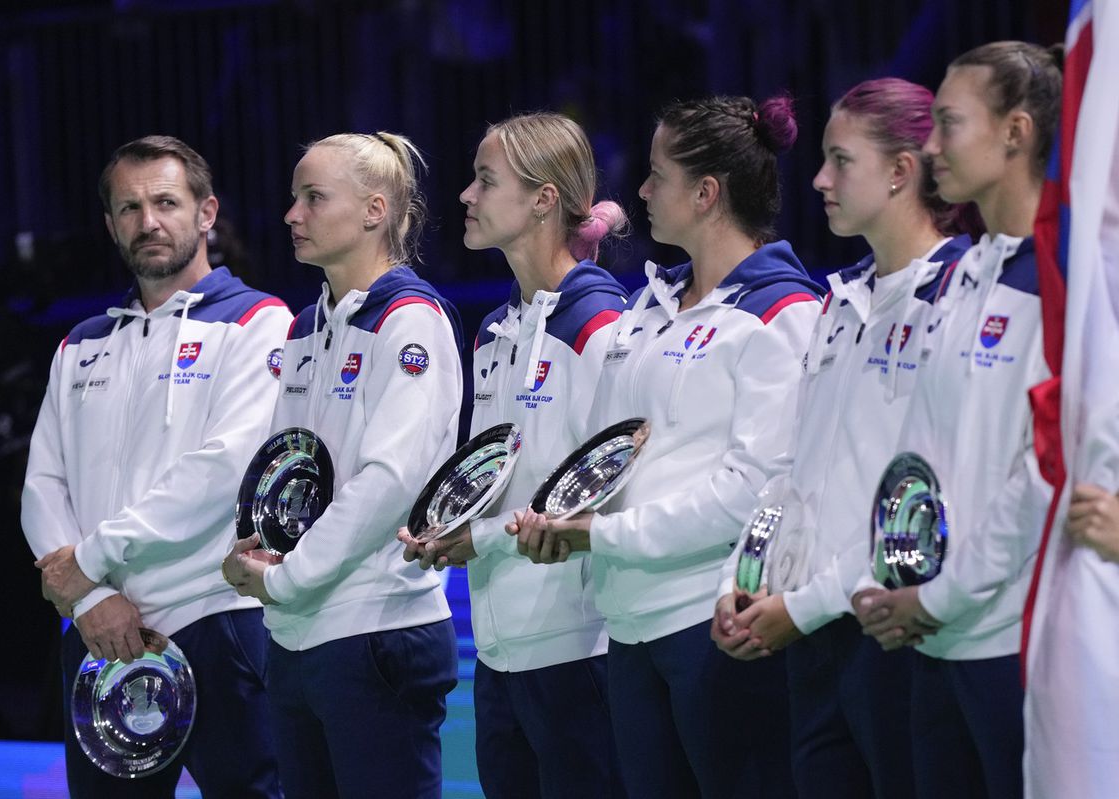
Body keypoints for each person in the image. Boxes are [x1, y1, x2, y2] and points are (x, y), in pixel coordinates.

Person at [516, 95, 821, 798]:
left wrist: (603, 533)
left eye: (657, 175)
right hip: (630, 628)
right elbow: (604, 453)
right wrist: (557, 515)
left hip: (710, 623)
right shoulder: (651, 311)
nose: (643, 191)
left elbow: (758, 491)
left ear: (707, 193)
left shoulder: (782, 314)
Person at [711, 78, 974, 799]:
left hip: (896, 633)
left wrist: (804, 605)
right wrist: (743, 571)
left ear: (901, 171)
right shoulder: (839, 300)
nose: (820, 179)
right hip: (810, 638)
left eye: (840, 159)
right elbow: (792, 468)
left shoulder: (958, 296)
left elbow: (930, 495)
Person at [22, 135, 290, 797]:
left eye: (167, 202)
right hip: (99, 630)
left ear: (206, 213)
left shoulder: (259, 321)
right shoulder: (81, 344)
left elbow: (226, 468)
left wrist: (91, 559)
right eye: (129, 207)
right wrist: (90, 594)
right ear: (111, 224)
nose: (149, 221)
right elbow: (41, 482)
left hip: (216, 615)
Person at [221, 132, 462, 799]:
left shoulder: (411, 321)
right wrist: (253, 551)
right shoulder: (305, 328)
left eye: (313, 198)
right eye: (295, 198)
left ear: (374, 211)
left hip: (375, 632)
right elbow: (281, 475)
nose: (292, 214)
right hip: (298, 634)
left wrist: (287, 578)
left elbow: (389, 481)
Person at [851, 42, 1062, 799]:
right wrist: (896, 576)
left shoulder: (1062, 281)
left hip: (1017, 644)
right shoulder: (964, 274)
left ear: (1017, 133)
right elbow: (922, 457)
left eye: (949, 123)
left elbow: (1045, 473)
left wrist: (936, 597)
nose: (931, 145)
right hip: (931, 638)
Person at [398, 111, 629, 799]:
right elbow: (491, 478)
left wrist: (480, 536)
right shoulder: (494, 331)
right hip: (501, 658)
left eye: (484, 179)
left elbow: (608, 490)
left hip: (582, 650)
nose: (466, 196)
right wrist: (445, 525)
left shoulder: (601, 325)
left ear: (543, 200)